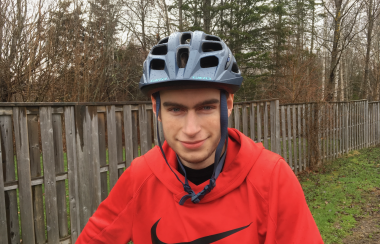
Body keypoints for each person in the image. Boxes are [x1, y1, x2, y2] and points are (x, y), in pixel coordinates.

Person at [76, 31, 323, 244]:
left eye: (205, 108)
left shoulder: (271, 179)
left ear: (227, 104)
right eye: (176, 109)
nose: (191, 129)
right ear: (156, 108)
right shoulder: (141, 178)